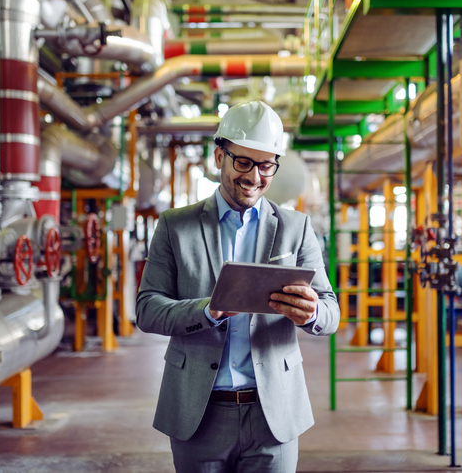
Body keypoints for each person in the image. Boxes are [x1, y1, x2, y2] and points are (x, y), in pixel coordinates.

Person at [136, 100, 340, 473]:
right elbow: (147, 310)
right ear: (219, 156)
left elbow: (330, 312)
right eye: (243, 162)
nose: (254, 177)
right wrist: (208, 311)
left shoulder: (296, 228)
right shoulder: (174, 226)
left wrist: (312, 312)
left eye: (266, 166)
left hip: (273, 412)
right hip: (199, 412)